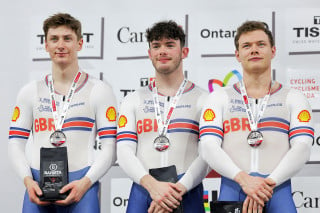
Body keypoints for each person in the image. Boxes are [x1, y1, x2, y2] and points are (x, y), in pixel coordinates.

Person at [199, 20, 314, 213]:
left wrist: (266, 184)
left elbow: (302, 148)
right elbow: (208, 147)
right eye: (247, 46)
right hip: (233, 189)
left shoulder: (294, 97)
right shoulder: (219, 97)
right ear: (238, 55)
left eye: (261, 44)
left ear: (273, 51)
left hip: (276, 191)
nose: (254, 50)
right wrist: (244, 180)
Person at [8, 13, 117, 213]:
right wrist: (27, 180)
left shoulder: (99, 90)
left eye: (67, 38)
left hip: (82, 187)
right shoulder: (30, 91)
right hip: (38, 186)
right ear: (46, 45)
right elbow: (15, 143)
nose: (61, 45)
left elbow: (110, 146)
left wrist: (86, 182)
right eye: (54, 39)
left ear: (80, 44)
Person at [116, 20, 209, 213]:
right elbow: (124, 151)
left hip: (187, 192)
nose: (162, 51)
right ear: (150, 54)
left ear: (184, 52)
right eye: (156, 46)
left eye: (170, 45)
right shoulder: (132, 100)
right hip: (144, 192)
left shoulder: (204, 99)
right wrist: (152, 186)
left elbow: (208, 154)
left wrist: (177, 189)